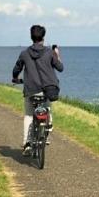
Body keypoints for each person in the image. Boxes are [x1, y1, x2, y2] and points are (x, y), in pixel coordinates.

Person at [12, 25, 63, 156]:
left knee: (29, 115)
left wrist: (15, 78)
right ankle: (49, 124)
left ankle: (27, 143)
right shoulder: (49, 52)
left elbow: (17, 69)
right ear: (43, 38)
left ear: (31, 37)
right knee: (47, 106)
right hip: (47, 90)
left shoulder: (24, 53)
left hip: (30, 90)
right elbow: (60, 68)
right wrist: (57, 55)